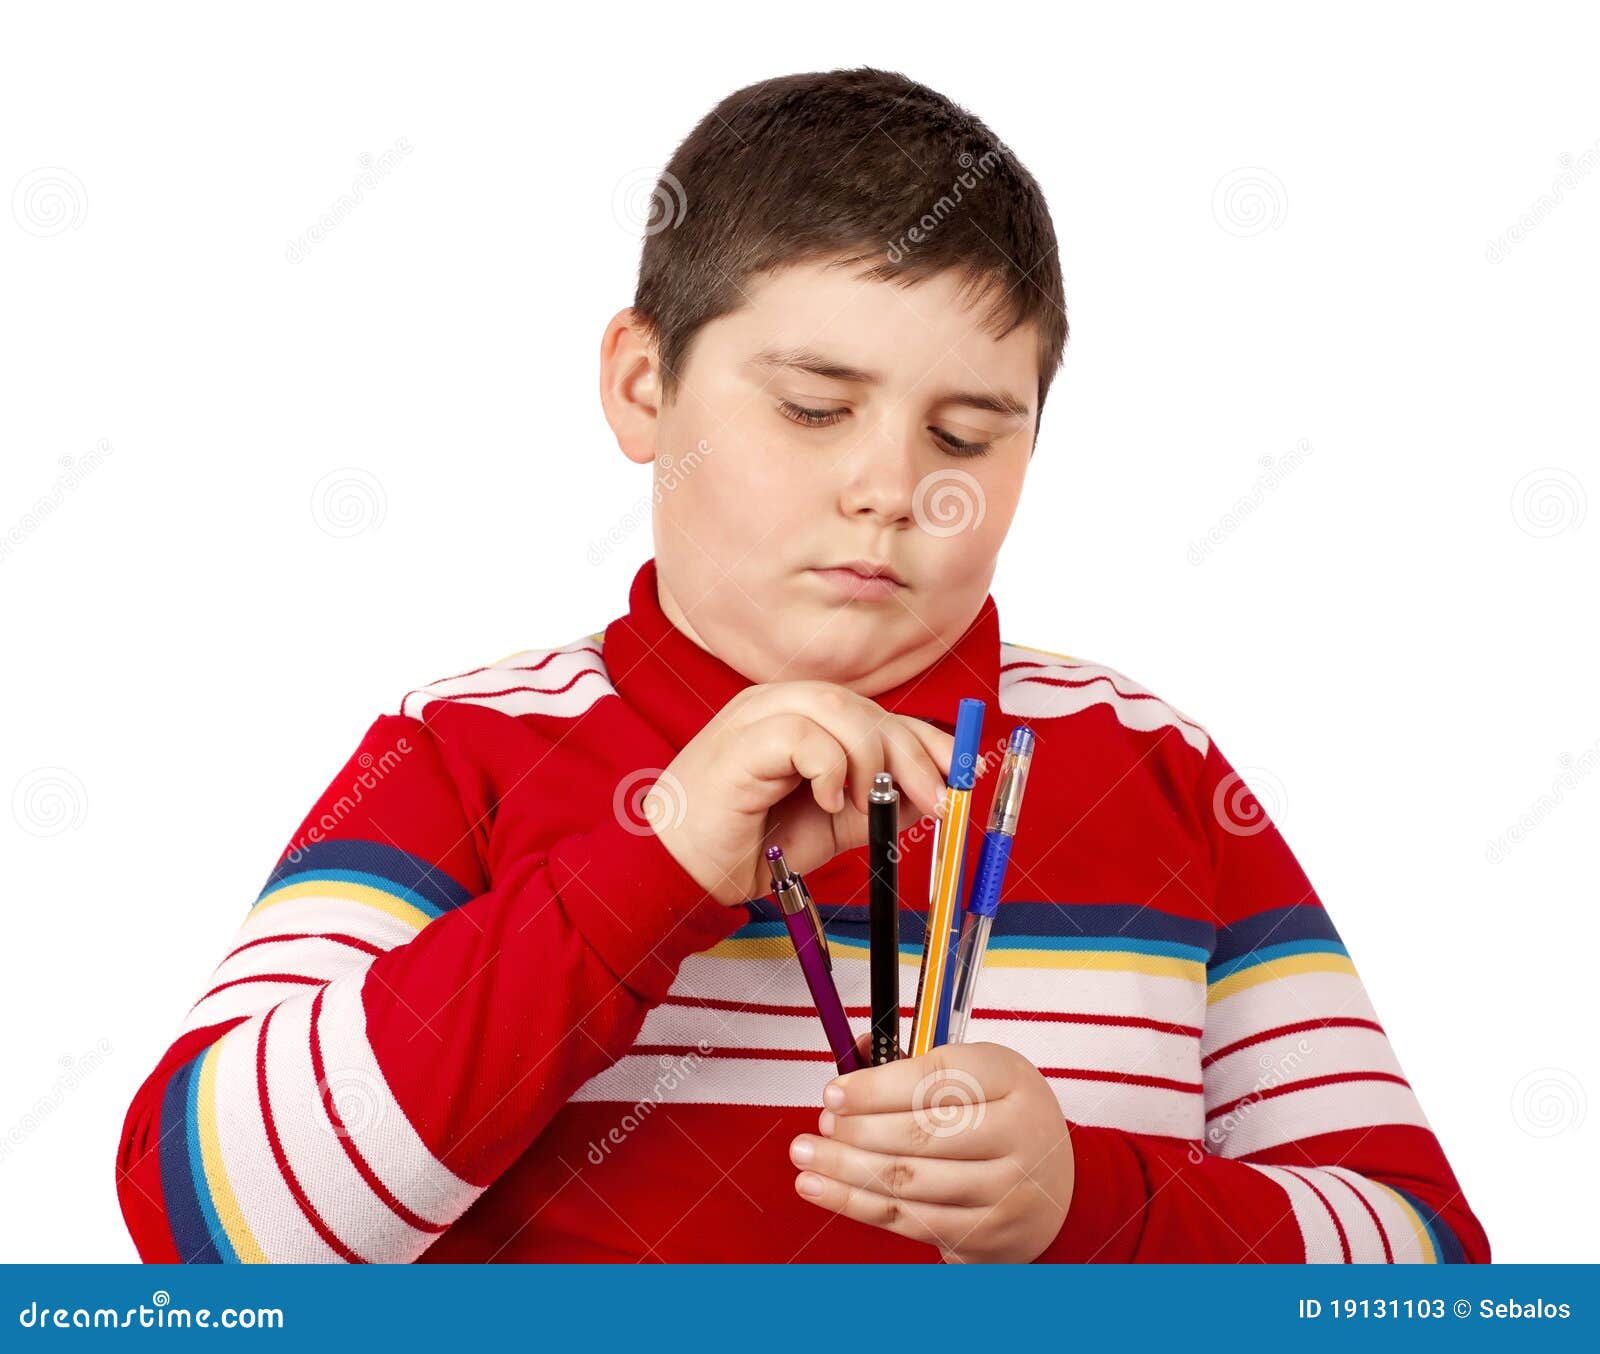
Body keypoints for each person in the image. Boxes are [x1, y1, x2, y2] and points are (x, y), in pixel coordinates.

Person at [115, 67, 1486, 1264]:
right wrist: (645, 874)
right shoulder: (461, 751)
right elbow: (205, 1217)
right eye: (815, 407)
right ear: (643, 386)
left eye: (965, 435)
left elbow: (1423, 1273)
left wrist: (1093, 1207)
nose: (892, 488)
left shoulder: (1160, 773)